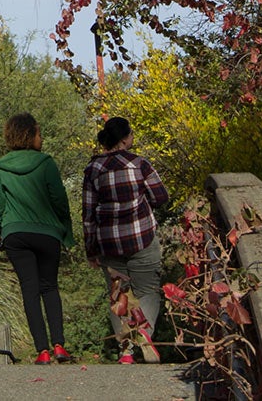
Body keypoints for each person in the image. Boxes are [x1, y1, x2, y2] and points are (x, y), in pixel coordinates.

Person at [81, 116, 170, 364]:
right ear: (124, 139)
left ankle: (127, 351)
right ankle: (144, 333)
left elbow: (88, 214)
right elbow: (161, 197)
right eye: (131, 135)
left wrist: (91, 250)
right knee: (148, 290)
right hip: (142, 237)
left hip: (109, 244)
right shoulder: (140, 165)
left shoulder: (93, 170)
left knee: (117, 295)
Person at [0, 112, 74, 365]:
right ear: (29, 135)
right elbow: (59, 200)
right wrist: (65, 230)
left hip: (16, 234)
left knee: (30, 289)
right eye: (39, 133)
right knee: (49, 287)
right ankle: (59, 345)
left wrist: (0, 230)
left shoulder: (0, 168)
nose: (42, 138)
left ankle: (42, 350)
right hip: (47, 233)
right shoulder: (46, 163)